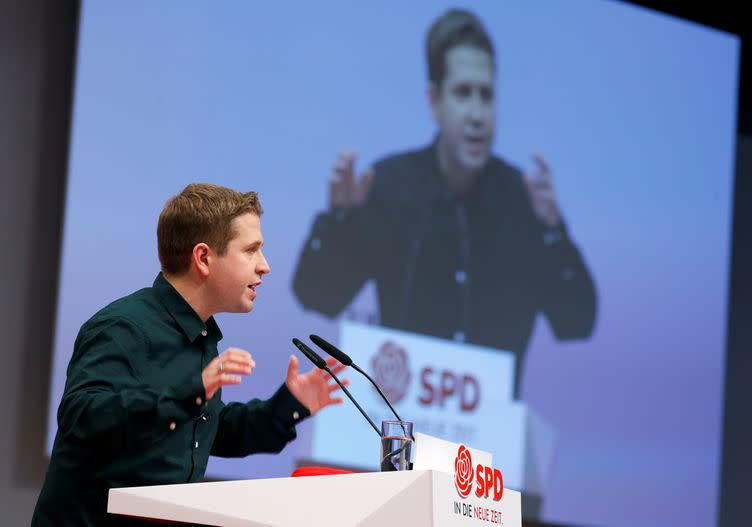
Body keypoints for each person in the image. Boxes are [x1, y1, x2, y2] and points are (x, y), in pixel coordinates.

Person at [292, 8, 597, 395]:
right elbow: (317, 294)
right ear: (434, 101)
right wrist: (341, 218)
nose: (477, 115)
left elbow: (577, 322)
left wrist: (554, 231)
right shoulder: (390, 185)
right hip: (400, 436)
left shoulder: (522, 200)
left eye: (486, 96)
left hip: (488, 446)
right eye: (462, 93)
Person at [32, 184, 346, 526]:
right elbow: (82, 417)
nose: (264, 266)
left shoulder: (201, 335)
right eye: (251, 250)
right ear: (204, 258)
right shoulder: (123, 326)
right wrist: (186, 394)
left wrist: (290, 405)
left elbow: (210, 430)